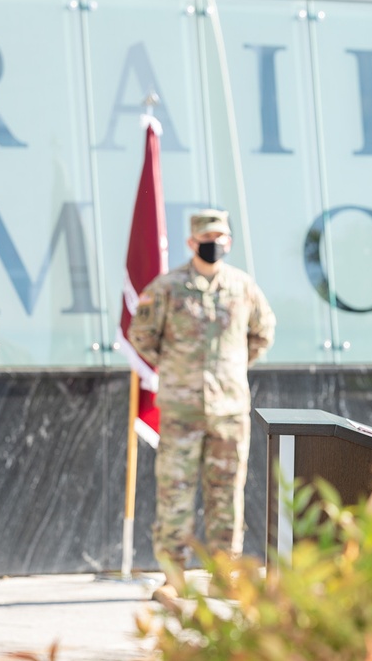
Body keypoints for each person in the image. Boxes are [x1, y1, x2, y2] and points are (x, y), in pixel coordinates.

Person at [127, 208, 276, 603]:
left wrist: (232, 369)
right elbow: (141, 335)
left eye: (220, 238)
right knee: (175, 494)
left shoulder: (243, 287)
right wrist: (179, 370)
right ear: (192, 242)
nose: (214, 244)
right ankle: (173, 578)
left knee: (226, 495)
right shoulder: (167, 288)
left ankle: (223, 574)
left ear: (228, 242)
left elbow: (262, 333)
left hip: (228, 411)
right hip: (181, 412)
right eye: (206, 238)